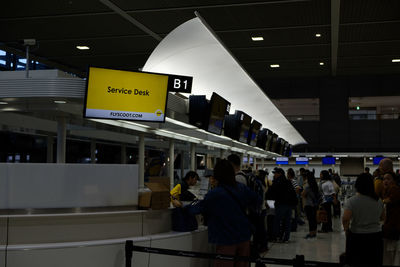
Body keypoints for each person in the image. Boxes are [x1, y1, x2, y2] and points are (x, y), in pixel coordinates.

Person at [187, 159, 261, 267]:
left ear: (217, 175)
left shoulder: (215, 193)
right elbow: (257, 200)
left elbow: (196, 209)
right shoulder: (241, 188)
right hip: (244, 236)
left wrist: (182, 206)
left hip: (226, 239)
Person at [342, 173, 384, 267]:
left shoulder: (352, 201)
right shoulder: (378, 200)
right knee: (373, 262)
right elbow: (382, 217)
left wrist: (346, 230)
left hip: (357, 236)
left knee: (356, 262)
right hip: (375, 237)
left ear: (357, 185)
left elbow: (345, 218)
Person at [266, 167, 297, 243]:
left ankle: (276, 237)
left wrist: (267, 200)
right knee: (287, 222)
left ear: (279, 174)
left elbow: (270, 193)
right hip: (289, 205)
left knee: (277, 221)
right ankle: (286, 238)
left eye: (275, 173)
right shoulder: (288, 181)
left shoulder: (277, 182)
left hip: (280, 205)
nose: (274, 175)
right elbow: (293, 193)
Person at [382, 171, 400, 266]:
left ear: (394, 181)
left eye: (388, 179)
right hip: (390, 229)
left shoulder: (395, 189)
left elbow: (388, 201)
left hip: (394, 229)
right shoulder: (387, 191)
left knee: (392, 257)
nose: (385, 181)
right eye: (384, 179)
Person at [302, 171, 320, 239]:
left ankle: (311, 233)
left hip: (308, 205)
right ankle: (314, 233)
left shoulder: (308, 186)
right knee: (314, 220)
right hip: (315, 205)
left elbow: (303, 194)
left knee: (310, 220)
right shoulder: (315, 185)